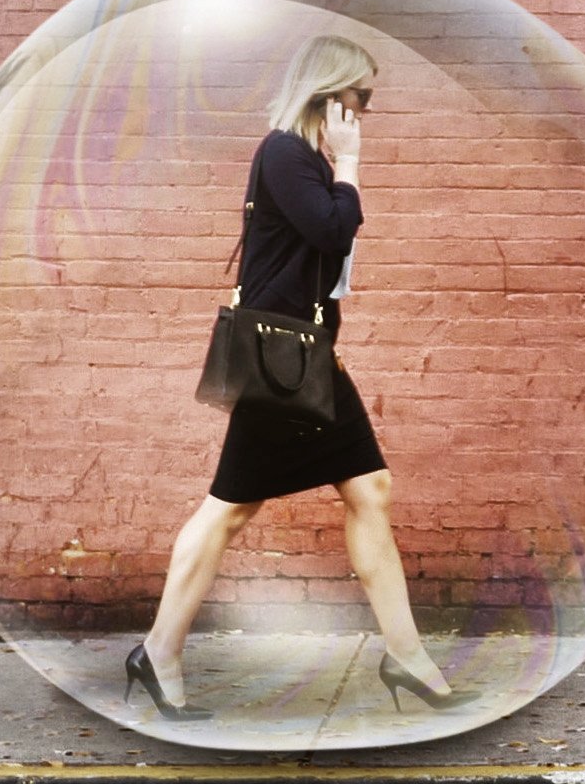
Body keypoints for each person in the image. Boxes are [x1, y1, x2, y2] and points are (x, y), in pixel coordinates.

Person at [126, 35, 459, 721]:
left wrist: (340, 165)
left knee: (369, 487)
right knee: (229, 509)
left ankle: (407, 657)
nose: (366, 109)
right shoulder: (285, 151)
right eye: (360, 96)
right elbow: (330, 231)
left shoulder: (304, 158)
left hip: (305, 357)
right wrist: (354, 164)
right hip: (280, 364)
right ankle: (158, 652)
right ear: (328, 92)